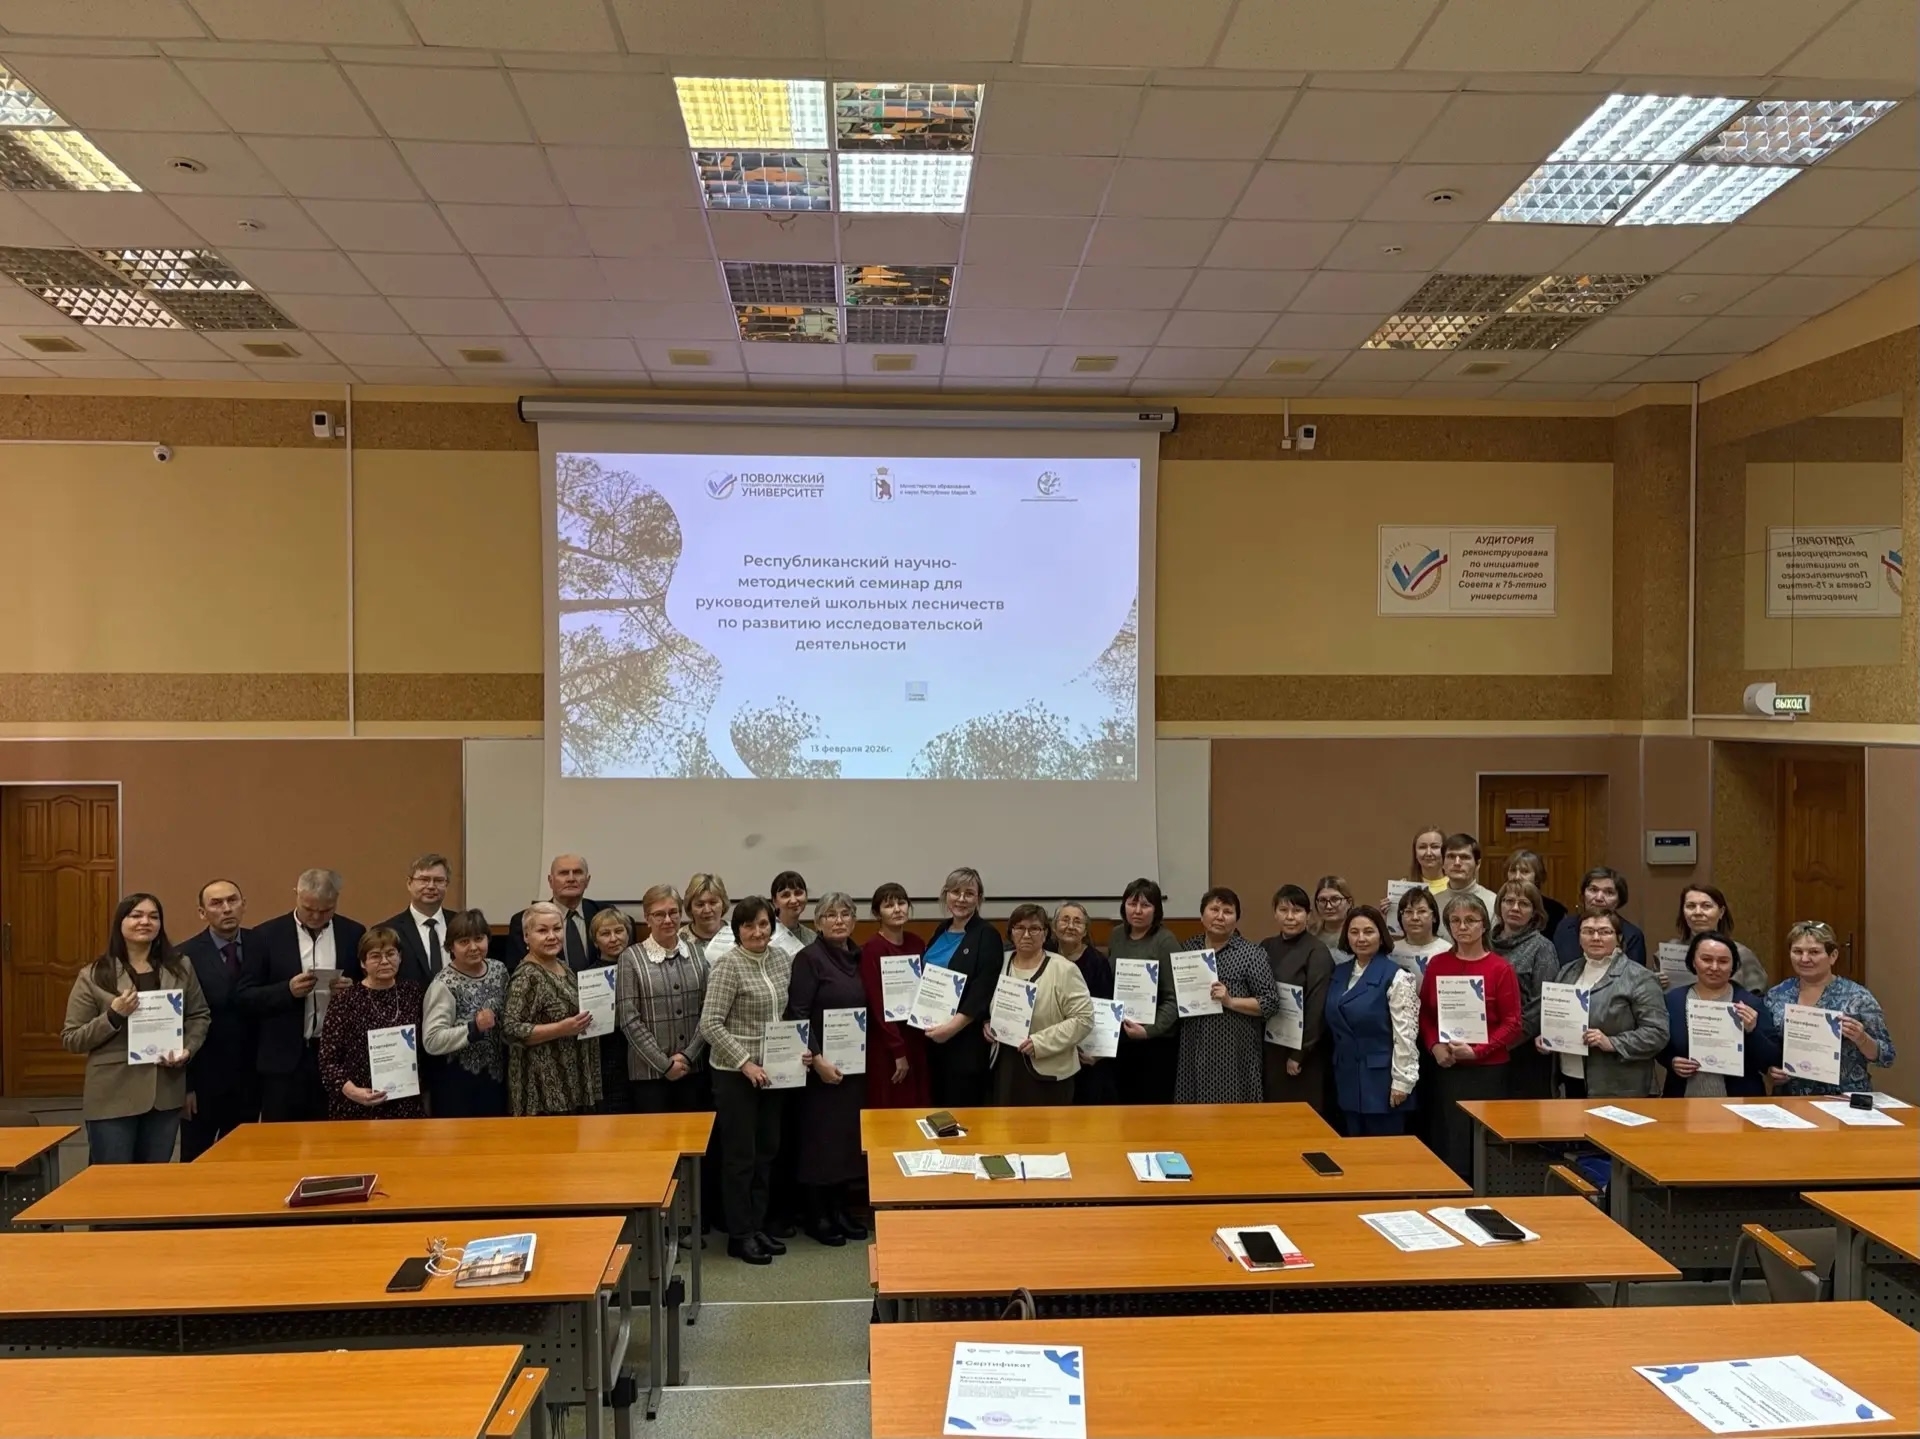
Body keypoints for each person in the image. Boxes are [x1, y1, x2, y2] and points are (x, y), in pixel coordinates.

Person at [62, 893, 210, 1165]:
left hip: (165, 1092)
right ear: (120, 923)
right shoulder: (94, 975)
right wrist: (113, 1016)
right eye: (136, 915)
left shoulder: (180, 967)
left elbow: (199, 1015)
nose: (145, 922)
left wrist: (187, 1049)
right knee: (112, 1181)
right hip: (112, 1095)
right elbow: (73, 1038)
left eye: (153, 917)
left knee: (154, 1179)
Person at [698, 896, 794, 1265]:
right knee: (740, 1158)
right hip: (735, 1075)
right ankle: (739, 1236)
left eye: (763, 924)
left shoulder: (781, 959)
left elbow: (785, 1014)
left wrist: (797, 1050)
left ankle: (757, 1225)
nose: (757, 932)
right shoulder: (728, 965)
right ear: (737, 931)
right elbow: (710, 1024)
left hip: (774, 1072)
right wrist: (744, 1063)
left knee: (767, 1152)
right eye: (749, 925)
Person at [239, 869, 363, 1123]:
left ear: (337, 900)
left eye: (326, 910)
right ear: (296, 894)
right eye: (309, 909)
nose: (316, 916)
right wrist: (286, 991)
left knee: (333, 1135)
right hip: (283, 1061)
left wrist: (353, 990)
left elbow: (368, 986)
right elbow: (244, 996)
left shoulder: (353, 933)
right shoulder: (265, 935)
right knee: (281, 1138)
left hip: (336, 1056)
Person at [1418, 894, 1522, 1181]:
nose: (1462, 927)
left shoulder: (1500, 968)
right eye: (1455, 920)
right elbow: (1425, 1013)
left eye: (1470, 920)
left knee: (1481, 1144)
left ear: (1484, 925)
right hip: (1447, 1067)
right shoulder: (1437, 964)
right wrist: (1434, 1045)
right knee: (1448, 1139)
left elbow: (1513, 1023)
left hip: (1487, 1071)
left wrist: (1478, 1051)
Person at [786, 894, 869, 1246]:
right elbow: (797, 1013)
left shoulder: (859, 957)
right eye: (830, 915)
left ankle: (840, 1210)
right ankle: (817, 1216)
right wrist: (818, 1060)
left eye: (845, 914)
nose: (839, 920)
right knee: (819, 1142)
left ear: (854, 920)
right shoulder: (809, 959)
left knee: (845, 1141)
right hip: (818, 1070)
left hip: (853, 1067)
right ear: (818, 923)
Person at [1536, 908, 1668, 1100]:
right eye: (1588, 931)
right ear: (1579, 937)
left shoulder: (1640, 977)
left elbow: (1657, 1033)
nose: (1596, 937)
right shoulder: (1567, 971)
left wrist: (1612, 1042)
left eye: (1605, 932)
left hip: (1619, 1085)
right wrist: (1548, 1037)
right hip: (1571, 1076)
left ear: (1619, 937)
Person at [1762, 920, 1896, 1096]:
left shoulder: (1857, 997)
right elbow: (1767, 1045)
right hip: (1790, 1097)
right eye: (1797, 951)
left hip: (1843, 1098)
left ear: (1833, 956)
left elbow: (1886, 1056)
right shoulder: (1777, 994)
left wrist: (1862, 1039)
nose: (1804, 959)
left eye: (1814, 952)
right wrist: (1771, 1070)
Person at [176, 878, 257, 1160]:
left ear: (244, 905)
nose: (226, 908)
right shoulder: (184, 956)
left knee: (243, 1159)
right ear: (202, 913)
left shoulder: (262, 944)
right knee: (196, 1158)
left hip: (252, 1078)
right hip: (204, 1080)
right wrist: (185, 1086)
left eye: (232, 900)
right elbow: (179, 1024)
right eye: (216, 903)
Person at [1174, 887, 1278, 1105]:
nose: (1220, 916)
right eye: (1214, 909)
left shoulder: (1251, 954)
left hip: (1234, 1052)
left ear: (1236, 919)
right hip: (1193, 1046)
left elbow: (1270, 1002)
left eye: (1228, 911)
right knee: (1192, 1114)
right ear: (1202, 915)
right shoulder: (1188, 949)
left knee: (1233, 1114)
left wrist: (1230, 1001)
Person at [984, 903, 1094, 1106]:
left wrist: (1040, 1043)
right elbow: (984, 1001)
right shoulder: (999, 962)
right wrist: (987, 1023)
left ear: (1045, 934)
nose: (1026, 935)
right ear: (1011, 932)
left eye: (1034, 928)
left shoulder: (1064, 969)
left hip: (1048, 1072)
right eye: (1019, 928)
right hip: (1005, 1066)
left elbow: (1084, 1019)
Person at [617, 885, 712, 1115]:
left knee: (694, 1135)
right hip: (649, 1075)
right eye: (659, 914)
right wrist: (665, 1064)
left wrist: (688, 1056)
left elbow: (707, 1011)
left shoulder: (698, 954)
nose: (668, 920)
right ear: (647, 918)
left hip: (693, 1070)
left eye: (673, 912)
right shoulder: (630, 958)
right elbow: (629, 1019)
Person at [1325, 906, 1418, 1136]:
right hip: (1347, 1078)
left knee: (1384, 1152)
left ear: (1381, 935)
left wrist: (1402, 1082)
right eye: (1354, 932)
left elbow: (1405, 1035)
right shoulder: (1339, 973)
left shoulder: (1397, 976)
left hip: (1383, 1082)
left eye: (1368, 931)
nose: (1361, 938)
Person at [319, 928, 427, 1121]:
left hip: (405, 1103)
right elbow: (328, 1061)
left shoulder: (412, 993)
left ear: (400, 957)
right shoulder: (345, 1001)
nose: (384, 961)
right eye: (375, 956)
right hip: (358, 1103)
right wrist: (353, 1092)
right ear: (363, 962)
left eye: (391, 954)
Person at [502, 901, 600, 1116]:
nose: (552, 936)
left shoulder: (563, 966)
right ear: (526, 936)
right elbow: (510, 1030)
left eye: (557, 928)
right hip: (543, 1091)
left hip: (572, 1081)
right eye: (542, 931)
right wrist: (560, 1029)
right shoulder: (527, 976)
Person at [919, 866, 1003, 1109]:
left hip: (964, 1041)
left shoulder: (987, 935)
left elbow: (983, 988)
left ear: (979, 898)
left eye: (969, 893)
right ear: (946, 895)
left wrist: (952, 1028)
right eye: (955, 892)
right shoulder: (941, 930)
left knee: (961, 1111)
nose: (961, 899)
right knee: (935, 1110)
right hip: (932, 1037)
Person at [1660, 932, 1778, 1098]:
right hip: (1683, 1098)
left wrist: (1753, 1031)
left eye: (1723, 961)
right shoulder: (1673, 1000)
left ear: (1733, 965)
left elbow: (1772, 1059)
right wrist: (1671, 1061)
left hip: (1740, 1101)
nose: (1714, 967)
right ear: (1693, 961)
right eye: (1706, 959)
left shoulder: (1750, 1003)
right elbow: (1659, 1045)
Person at [421, 908, 510, 1117]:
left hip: (497, 1080)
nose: (473, 947)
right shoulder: (443, 984)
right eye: (463, 942)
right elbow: (432, 1041)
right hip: (457, 1088)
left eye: (479, 939)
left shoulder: (499, 970)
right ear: (451, 947)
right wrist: (473, 1028)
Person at [1260, 885, 1334, 1114]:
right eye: (1283, 910)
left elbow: (1317, 1007)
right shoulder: (1266, 946)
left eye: (1297, 911)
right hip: (1270, 1047)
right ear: (1275, 913)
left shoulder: (1317, 951)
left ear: (1308, 915)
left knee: (1300, 1116)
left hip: (1303, 1053)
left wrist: (1299, 1054)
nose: (1290, 917)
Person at [859, 883, 931, 1110]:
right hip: (887, 1044)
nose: (897, 909)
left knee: (919, 1104)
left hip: (917, 1037)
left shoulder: (917, 943)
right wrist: (897, 1050)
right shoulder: (872, 948)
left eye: (901, 903)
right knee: (893, 1105)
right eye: (889, 905)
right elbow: (877, 1004)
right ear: (877, 913)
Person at [1111, 878, 1181, 1106]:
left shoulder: (1165, 941)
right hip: (1122, 1037)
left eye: (1145, 905)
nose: (1138, 911)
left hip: (1155, 1042)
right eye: (1132, 904)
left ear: (1156, 910)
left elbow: (1174, 998)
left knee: (1152, 1108)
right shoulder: (1116, 935)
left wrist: (1149, 1031)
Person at [1490, 880, 1561, 1100]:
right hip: (1484, 1043)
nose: (1515, 908)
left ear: (1535, 912)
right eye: (1509, 901)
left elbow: (1543, 1002)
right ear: (1499, 906)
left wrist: (1507, 1040)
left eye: (1523, 903)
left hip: (1524, 1047)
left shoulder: (1542, 947)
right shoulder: (1484, 943)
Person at [1054, 902, 1117, 1106]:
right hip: (1051, 1049)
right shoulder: (1044, 955)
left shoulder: (1097, 962)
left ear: (1085, 930)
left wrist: (1098, 1053)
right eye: (1065, 920)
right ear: (1054, 926)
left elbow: (1107, 1009)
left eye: (1077, 922)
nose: (1070, 926)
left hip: (1085, 1054)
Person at [501, 854, 606, 969]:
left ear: (587, 880)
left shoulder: (603, 913)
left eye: (577, 872)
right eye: (564, 873)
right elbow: (516, 968)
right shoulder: (524, 920)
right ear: (550, 881)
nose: (571, 879)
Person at [1671, 886, 1768, 993]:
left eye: (1706, 906)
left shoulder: (1741, 953)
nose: (1697, 912)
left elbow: (1757, 995)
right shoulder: (1670, 952)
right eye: (1691, 906)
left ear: (1721, 912)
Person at [379, 852, 453, 990]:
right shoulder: (387, 930)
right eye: (424, 880)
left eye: (438, 880)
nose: (431, 886)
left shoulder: (460, 924)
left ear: (446, 885)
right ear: (409, 883)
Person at [588, 907, 636, 1113]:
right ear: (595, 941)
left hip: (641, 1054)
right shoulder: (589, 977)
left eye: (619, 931)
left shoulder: (642, 967)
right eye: (605, 933)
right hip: (608, 1058)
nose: (614, 938)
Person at [1550, 867, 1647, 967]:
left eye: (1609, 892)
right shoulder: (1565, 927)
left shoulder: (1632, 935)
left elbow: (1635, 974)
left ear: (1619, 900)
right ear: (1583, 895)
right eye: (1593, 890)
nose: (1599, 898)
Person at [1503, 850, 1567, 941]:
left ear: (1537, 877)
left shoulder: (1556, 911)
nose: (1517, 877)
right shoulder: (1500, 904)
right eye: (1513, 871)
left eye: (1525, 872)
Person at [1435, 834, 1500, 919]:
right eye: (1451, 856)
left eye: (1464, 857)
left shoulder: (1493, 903)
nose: (1457, 863)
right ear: (1443, 863)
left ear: (1478, 864)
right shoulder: (1434, 903)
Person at [1391, 887, 1449, 976]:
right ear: (1400, 917)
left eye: (1422, 911)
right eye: (1408, 912)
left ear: (1434, 917)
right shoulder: (1392, 950)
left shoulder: (1447, 951)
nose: (1415, 917)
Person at [681, 873, 735, 965]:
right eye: (700, 905)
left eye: (713, 903)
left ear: (723, 904)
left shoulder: (738, 933)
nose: (707, 910)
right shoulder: (679, 941)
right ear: (690, 908)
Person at [768, 871, 815, 962]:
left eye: (798, 893)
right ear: (775, 901)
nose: (793, 900)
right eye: (786, 895)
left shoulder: (812, 937)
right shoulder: (765, 935)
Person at [1308, 876, 1354, 959]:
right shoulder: (1309, 935)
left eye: (1335, 899)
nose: (1328, 906)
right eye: (1322, 900)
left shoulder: (1358, 935)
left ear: (1349, 903)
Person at [1409, 825, 1447, 891]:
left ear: (1445, 851)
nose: (1428, 853)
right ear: (1415, 853)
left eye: (1435, 847)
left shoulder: (1457, 886)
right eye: (1422, 847)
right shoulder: (1404, 886)